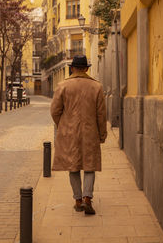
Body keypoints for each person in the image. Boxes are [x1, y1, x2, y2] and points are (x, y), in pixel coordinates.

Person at [50, 55, 107, 215]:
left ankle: (78, 200)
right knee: (90, 166)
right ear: (87, 69)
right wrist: (102, 134)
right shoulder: (97, 87)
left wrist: (63, 125)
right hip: (90, 132)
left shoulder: (63, 86)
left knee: (73, 166)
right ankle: (88, 198)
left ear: (72, 68)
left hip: (69, 132)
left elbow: (55, 111)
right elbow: (101, 114)